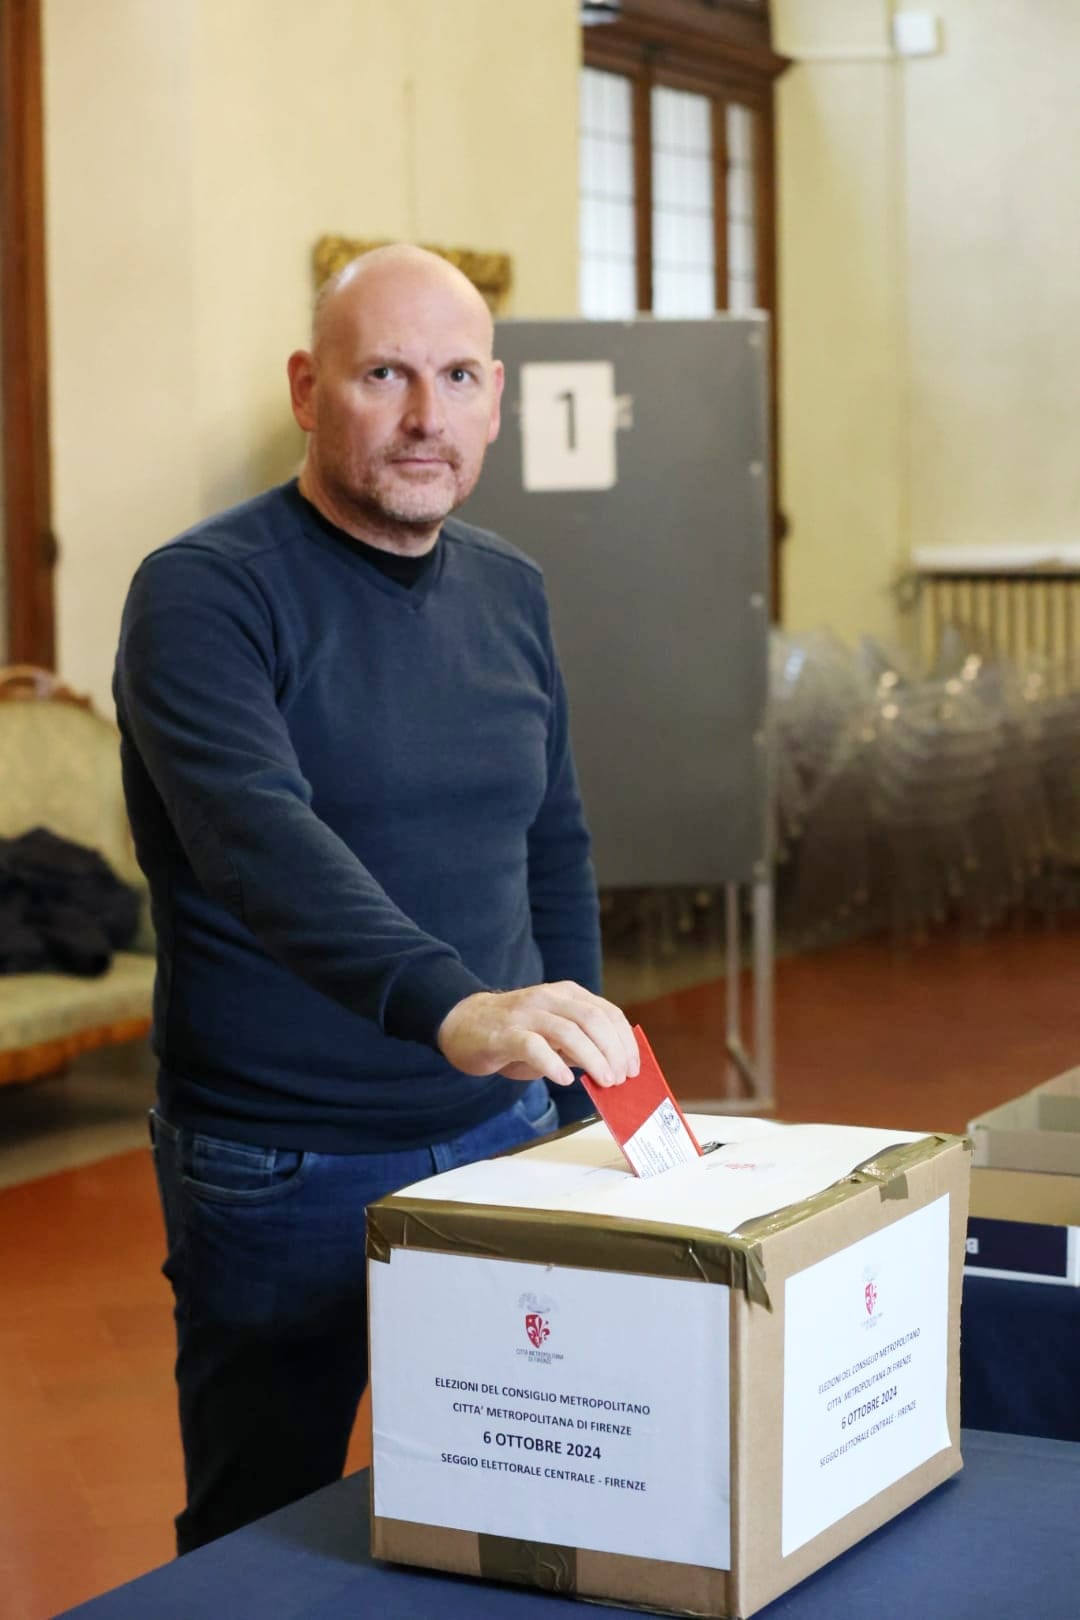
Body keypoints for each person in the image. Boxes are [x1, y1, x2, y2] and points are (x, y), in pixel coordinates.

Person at [113, 243, 639, 1555]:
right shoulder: (201, 594)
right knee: (265, 1532)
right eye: (384, 374)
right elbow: (255, 843)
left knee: (505, 1508)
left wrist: (583, 1095)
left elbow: (551, 841)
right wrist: (447, 1002)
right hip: (281, 1161)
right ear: (308, 387)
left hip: (505, 1135)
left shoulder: (513, 591)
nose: (424, 418)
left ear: (497, 400)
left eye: (458, 377)